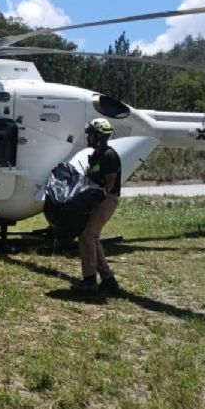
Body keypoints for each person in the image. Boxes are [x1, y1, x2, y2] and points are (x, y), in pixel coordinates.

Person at [72, 118, 122, 295]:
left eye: (91, 134)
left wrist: (96, 204)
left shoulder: (109, 155)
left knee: (87, 236)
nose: (88, 138)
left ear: (99, 136)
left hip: (107, 200)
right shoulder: (96, 155)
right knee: (91, 237)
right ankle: (108, 280)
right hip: (98, 200)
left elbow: (109, 184)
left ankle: (90, 281)